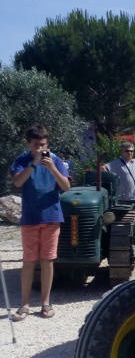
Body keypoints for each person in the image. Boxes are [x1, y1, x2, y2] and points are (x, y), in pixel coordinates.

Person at [10, 124, 70, 321]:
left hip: (52, 217)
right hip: (30, 218)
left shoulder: (56, 161)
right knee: (28, 262)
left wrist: (52, 167)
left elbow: (66, 187)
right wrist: (34, 163)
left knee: (47, 261)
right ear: (28, 144)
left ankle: (46, 303)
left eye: (43, 144)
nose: (40, 148)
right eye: (36, 145)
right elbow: (18, 182)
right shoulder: (22, 160)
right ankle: (24, 304)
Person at [103, 142, 135, 249]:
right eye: (127, 151)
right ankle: (115, 241)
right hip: (120, 199)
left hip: (133, 198)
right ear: (122, 152)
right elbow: (104, 168)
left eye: (131, 151)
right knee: (117, 220)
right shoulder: (116, 163)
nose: (129, 153)